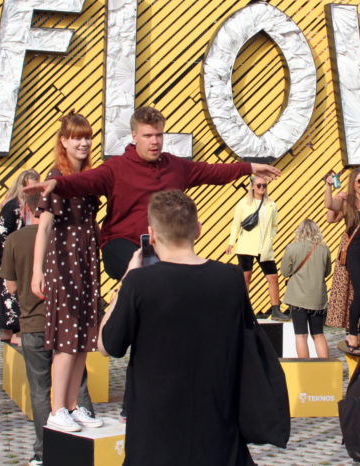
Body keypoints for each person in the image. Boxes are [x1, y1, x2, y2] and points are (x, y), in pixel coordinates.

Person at [25, 106, 280, 280]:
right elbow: (85, 181)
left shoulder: (175, 166)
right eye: (148, 136)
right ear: (135, 136)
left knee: (184, 275)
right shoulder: (117, 168)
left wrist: (250, 167)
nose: (155, 141)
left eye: (159, 135)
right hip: (121, 245)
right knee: (148, 271)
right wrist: (58, 184)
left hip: (161, 247)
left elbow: (213, 172)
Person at [99, 190, 254, 465]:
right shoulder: (230, 279)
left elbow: (106, 345)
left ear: (152, 234)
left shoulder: (139, 284)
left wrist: (126, 278)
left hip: (154, 437)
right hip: (218, 432)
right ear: (198, 229)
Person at [0, 189, 95, 466]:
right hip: (67, 321)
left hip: (32, 323)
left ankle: (44, 452)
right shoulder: (64, 235)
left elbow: (11, 286)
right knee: (77, 385)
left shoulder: (15, 240)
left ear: (27, 210)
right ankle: (84, 444)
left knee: (41, 390)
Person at [31, 112, 103, 432]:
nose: (83, 142)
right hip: (63, 264)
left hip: (87, 264)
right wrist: (37, 272)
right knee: (66, 339)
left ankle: (74, 406)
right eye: (76, 137)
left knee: (83, 339)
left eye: (86, 136)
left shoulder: (88, 179)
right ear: (63, 140)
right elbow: (43, 229)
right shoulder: (54, 177)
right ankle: (56, 407)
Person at [324, 168, 360, 353]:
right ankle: (351, 333)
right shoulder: (346, 200)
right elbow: (330, 206)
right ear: (353, 182)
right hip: (355, 252)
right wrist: (328, 186)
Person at [0, 169, 40, 344]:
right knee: (11, 291)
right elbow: (1, 235)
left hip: (29, 254)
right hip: (13, 255)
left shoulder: (34, 205)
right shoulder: (12, 207)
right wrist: (3, 259)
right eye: (30, 186)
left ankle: (15, 333)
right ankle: (11, 332)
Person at [226, 176, 284, 319]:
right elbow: (236, 224)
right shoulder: (244, 203)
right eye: (259, 185)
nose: (262, 188)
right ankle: (244, 310)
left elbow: (274, 225)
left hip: (264, 247)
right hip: (246, 245)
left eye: (264, 185)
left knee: (273, 277)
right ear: (252, 187)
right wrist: (231, 243)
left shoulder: (271, 204)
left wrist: (270, 238)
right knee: (246, 278)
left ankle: (275, 309)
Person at [281, 219, 332, 358]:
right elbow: (327, 272)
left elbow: (285, 272)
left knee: (301, 335)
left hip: (298, 299)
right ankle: (325, 368)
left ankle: (306, 368)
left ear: (299, 231)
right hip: (318, 299)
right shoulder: (324, 249)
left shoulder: (292, 248)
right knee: (319, 334)